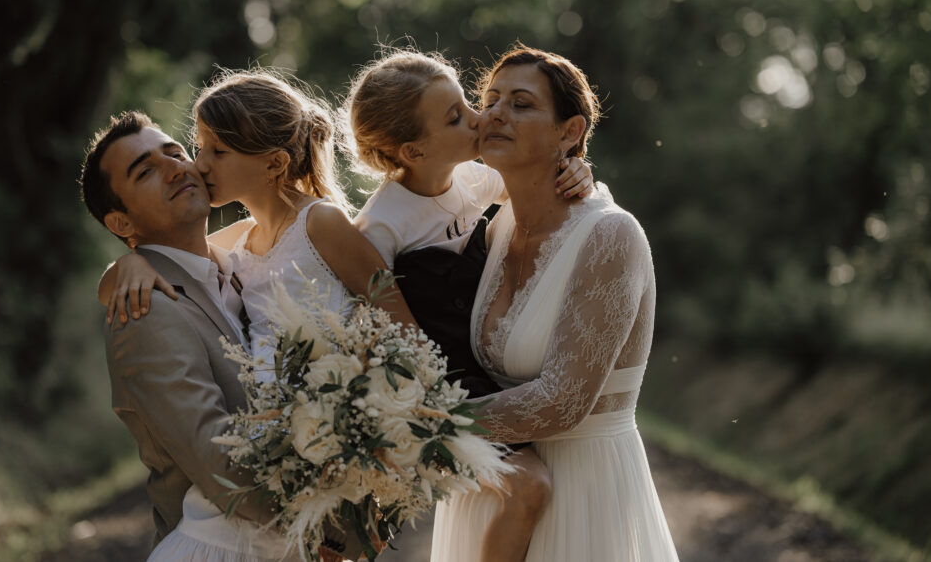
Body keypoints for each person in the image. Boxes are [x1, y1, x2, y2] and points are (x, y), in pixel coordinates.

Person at [98, 70, 408, 560]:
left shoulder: (288, 235)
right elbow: (213, 454)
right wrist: (123, 264)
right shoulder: (206, 266)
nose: (189, 166)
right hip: (240, 532)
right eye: (147, 169)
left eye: (185, 152)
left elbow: (400, 330)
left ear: (273, 164)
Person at [430, 45, 679, 561]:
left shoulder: (611, 236)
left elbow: (561, 401)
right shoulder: (491, 226)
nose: (495, 113)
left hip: (582, 495)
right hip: (494, 491)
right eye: (491, 99)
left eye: (521, 104)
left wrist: (422, 429)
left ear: (569, 133)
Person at [343, 48, 592, 562]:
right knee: (530, 487)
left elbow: (543, 179)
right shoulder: (381, 226)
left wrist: (579, 171)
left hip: (493, 362)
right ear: (412, 151)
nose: (481, 118)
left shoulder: (477, 180)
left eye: (467, 103)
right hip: (439, 383)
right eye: (457, 116)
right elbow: (371, 327)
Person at [80, 112, 317, 560]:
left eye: (175, 152)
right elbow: (218, 462)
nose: (175, 167)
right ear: (122, 225)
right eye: (146, 171)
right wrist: (325, 523)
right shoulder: (144, 309)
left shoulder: (248, 261)